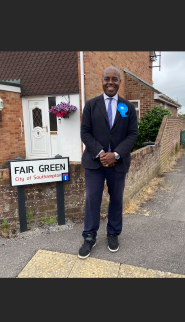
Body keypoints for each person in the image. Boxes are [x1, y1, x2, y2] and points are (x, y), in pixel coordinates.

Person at [78, 66, 138, 259]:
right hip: (95, 163)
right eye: (107, 79)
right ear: (102, 81)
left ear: (120, 82)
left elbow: (132, 134)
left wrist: (117, 154)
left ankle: (113, 233)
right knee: (92, 199)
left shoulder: (128, 107)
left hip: (118, 164)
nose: (110, 82)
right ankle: (89, 236)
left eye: (114, 79)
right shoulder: (91, 105)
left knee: (116, 200)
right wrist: (102, 153)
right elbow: (85, 132)